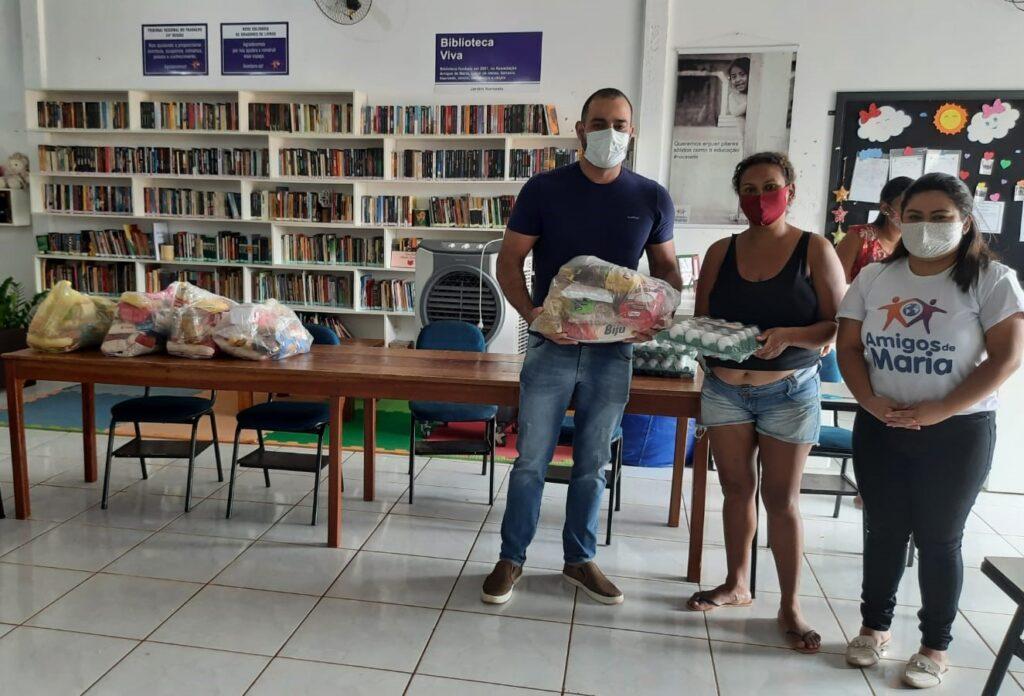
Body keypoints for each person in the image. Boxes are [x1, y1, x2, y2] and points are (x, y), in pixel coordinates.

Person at [482, 87, 682, 606]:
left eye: (619, 124)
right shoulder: (543, 190)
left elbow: (666, 270)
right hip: (551, 344)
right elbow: (509, 261)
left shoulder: (651, 197)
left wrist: (658, 317)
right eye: (599, 123)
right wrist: (533, 316)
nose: (609, 133)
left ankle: (579, 559)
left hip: (613, 351)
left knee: (593, 463)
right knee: (531, 460)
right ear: (580, 130)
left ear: (631, 132)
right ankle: (511, 557)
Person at [837, 172, 1024, 689]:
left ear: (965, 221)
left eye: (940, 217)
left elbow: (1006, 358)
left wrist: (941, 410)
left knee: (940, 539)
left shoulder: (992, 279)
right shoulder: (874, 277)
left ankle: (934, 646)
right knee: (883, 531)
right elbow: (848, 347)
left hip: (957, 432)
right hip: (881, 426)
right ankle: (873, 628)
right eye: (914, 216)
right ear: (898, 218)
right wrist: (869, 400)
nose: (925, 227)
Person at [686, 152, 846, 655]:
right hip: (725, 390)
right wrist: (694, 337)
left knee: (782, 500)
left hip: (789, 391)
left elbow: (838, 325)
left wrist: (789, 336)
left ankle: (791, 606)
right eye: (749, 190)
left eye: (770, 187)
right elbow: (702, 321)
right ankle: (737, 583)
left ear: (790, 191)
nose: (760, 199)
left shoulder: (815, 249)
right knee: (736, 490)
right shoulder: (720, 251)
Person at [836, 176, 914, 282]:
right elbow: (837, 283)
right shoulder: (858, 237)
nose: (912, 214)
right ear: (885, 208)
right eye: (905, 207)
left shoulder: (912, 246)